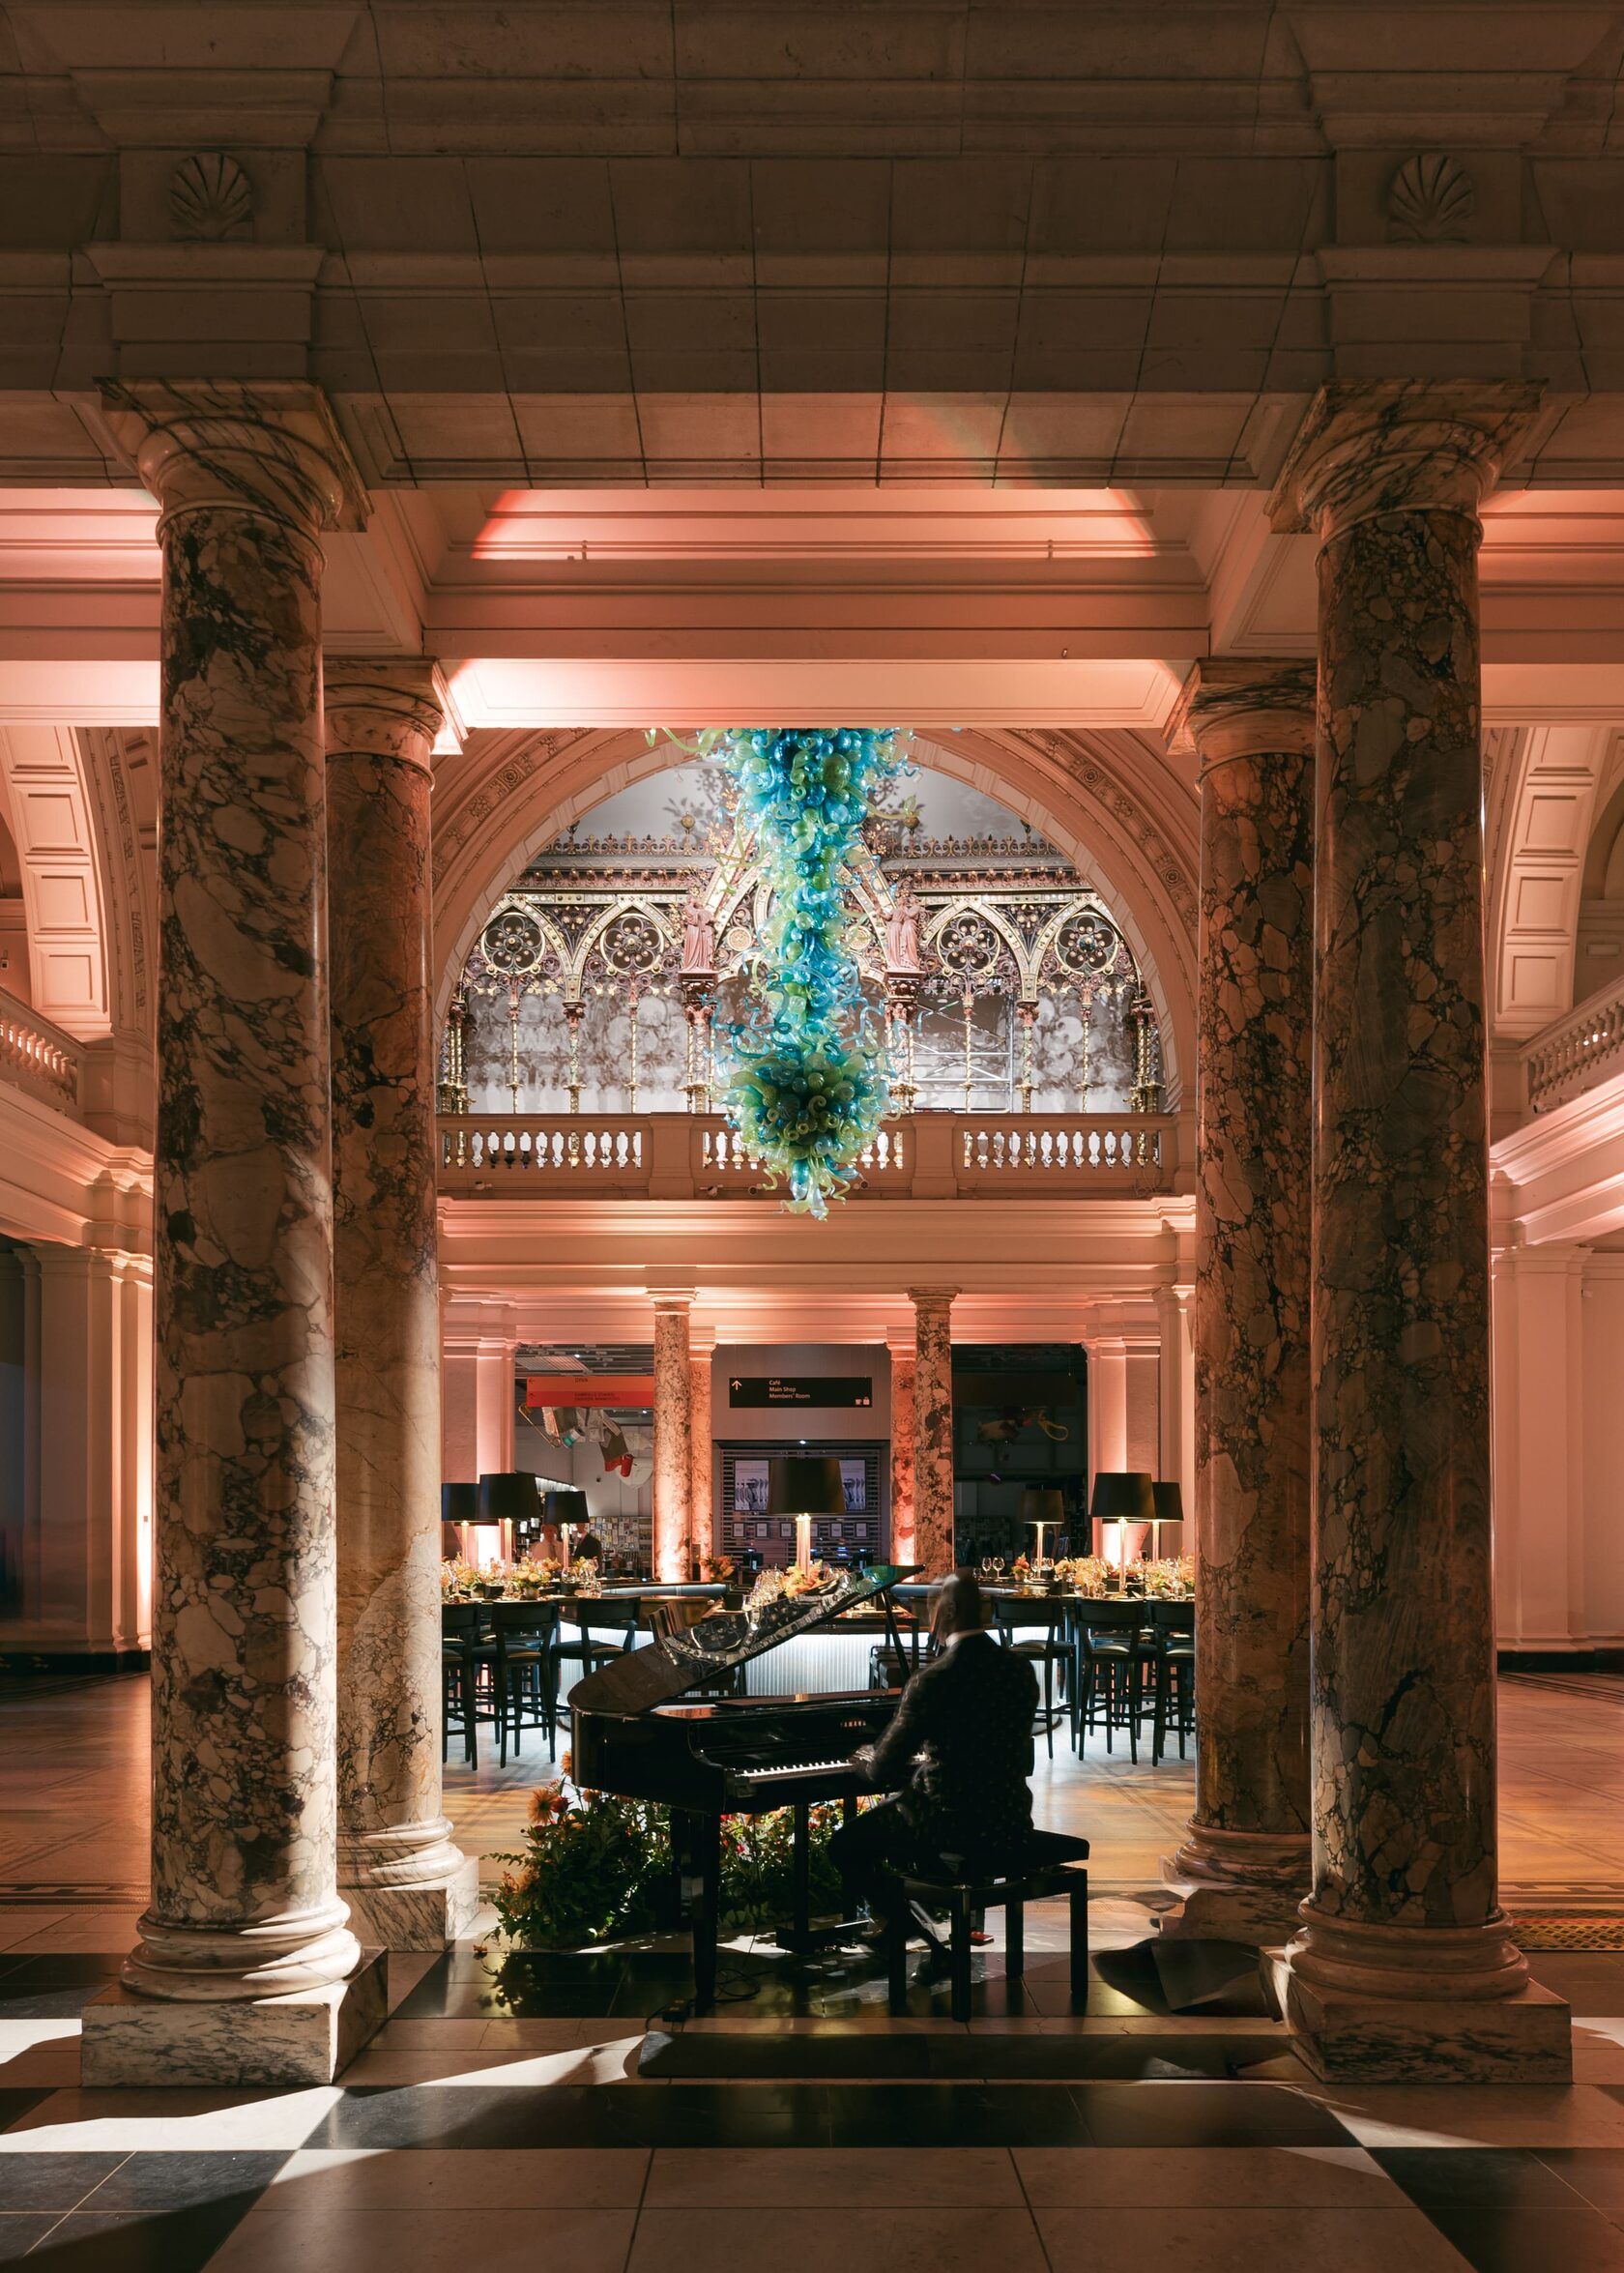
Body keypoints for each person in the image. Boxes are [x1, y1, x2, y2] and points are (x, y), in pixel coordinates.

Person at [832, 1569, 1038, 1938]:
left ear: (951, 1610)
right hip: (1010, 1817)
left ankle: (910, 1931)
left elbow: (881, 1769)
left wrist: (861, 1756)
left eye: (933, 1604)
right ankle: (935, 1932)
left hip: (950, 1822)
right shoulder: (1020, 1671)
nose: (929, 1614)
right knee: (904, 1823)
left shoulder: (936, 1679)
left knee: (846, 1845)